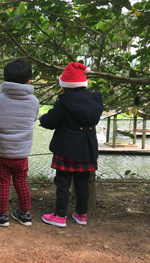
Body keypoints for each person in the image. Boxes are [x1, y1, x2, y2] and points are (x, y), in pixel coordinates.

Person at [40, 62, 103, 227]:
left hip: (66, 149)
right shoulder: (96, 101)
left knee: (63, 183)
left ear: (65, 86)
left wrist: (42, 119)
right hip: (87, 148)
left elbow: (51, 121)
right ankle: (81, 214)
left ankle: (60, 216)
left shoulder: (63, 102)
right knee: (83, 183)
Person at [0, 58, 39, 227]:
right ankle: (25, 214)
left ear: (4, 80)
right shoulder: (34, 102)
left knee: (3, 183)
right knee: (21, 182)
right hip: (21, 152)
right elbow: (33, 119)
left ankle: (1, 215)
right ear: (29, 80)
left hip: (1, 151)